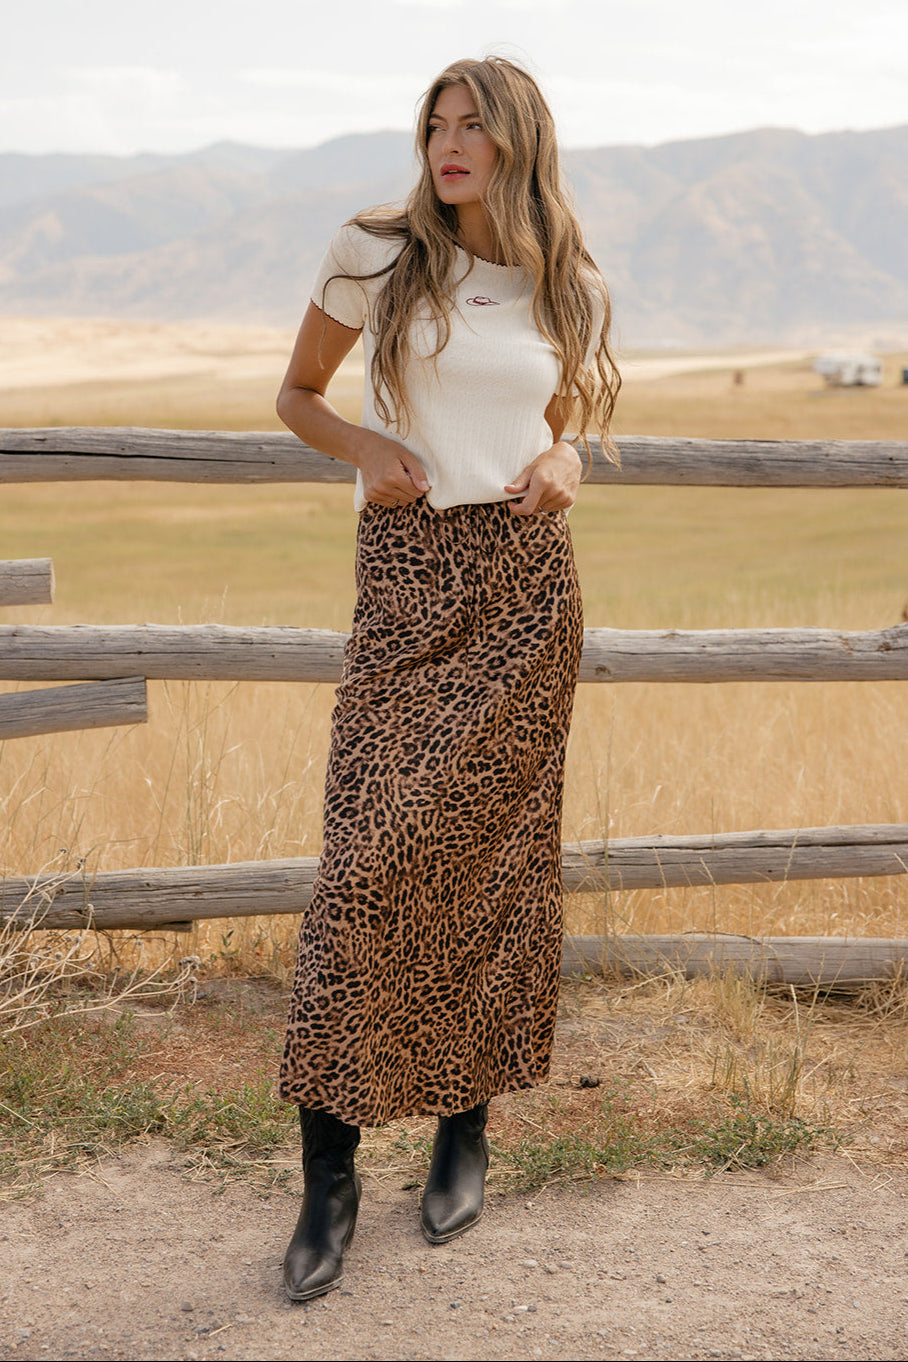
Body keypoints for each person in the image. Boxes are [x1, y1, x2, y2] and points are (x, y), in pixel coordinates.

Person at [276, 55, 620, 1302]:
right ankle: (328, 1174)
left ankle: (462, 1126)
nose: (448, 142)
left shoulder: (562, 277)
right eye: (436, 123)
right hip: (409, 581)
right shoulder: (374, 250)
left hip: (526, 590)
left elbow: (561, 410)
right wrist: (365, 442)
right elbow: (296, 393)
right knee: (365, 868)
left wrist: (569, 460)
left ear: (517, 139)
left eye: (473, 125)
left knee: (490, 861)